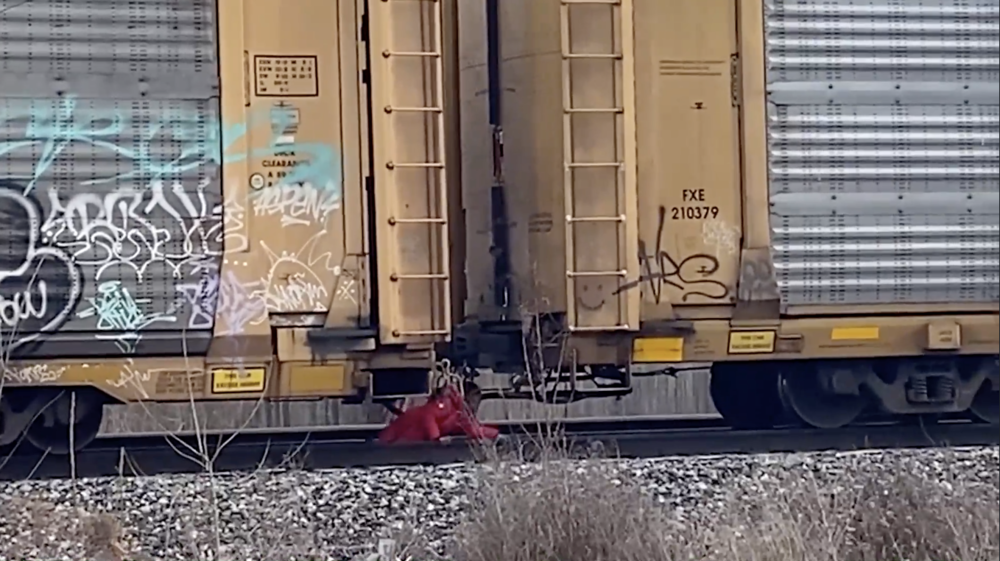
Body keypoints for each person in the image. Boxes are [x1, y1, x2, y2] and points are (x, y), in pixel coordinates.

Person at [377, 383, 499, 444]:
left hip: (400, 442)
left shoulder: (456, 413)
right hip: (393, 440)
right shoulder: (447, 405)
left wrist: (495, 435)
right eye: (474, 400)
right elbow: (428, 415)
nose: (475, 405)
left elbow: (473, 429)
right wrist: (435, 439)